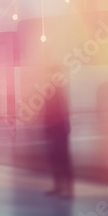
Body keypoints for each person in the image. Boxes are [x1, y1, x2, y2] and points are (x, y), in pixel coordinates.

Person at [44, 70, 73, 199]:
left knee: (63, 158)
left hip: (59, 129)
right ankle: (58, 186)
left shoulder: (59, 91)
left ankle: (67, 189)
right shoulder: (50, 92)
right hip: (53, 129)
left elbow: (62, 110)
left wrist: (64, 127)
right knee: (55, 158)